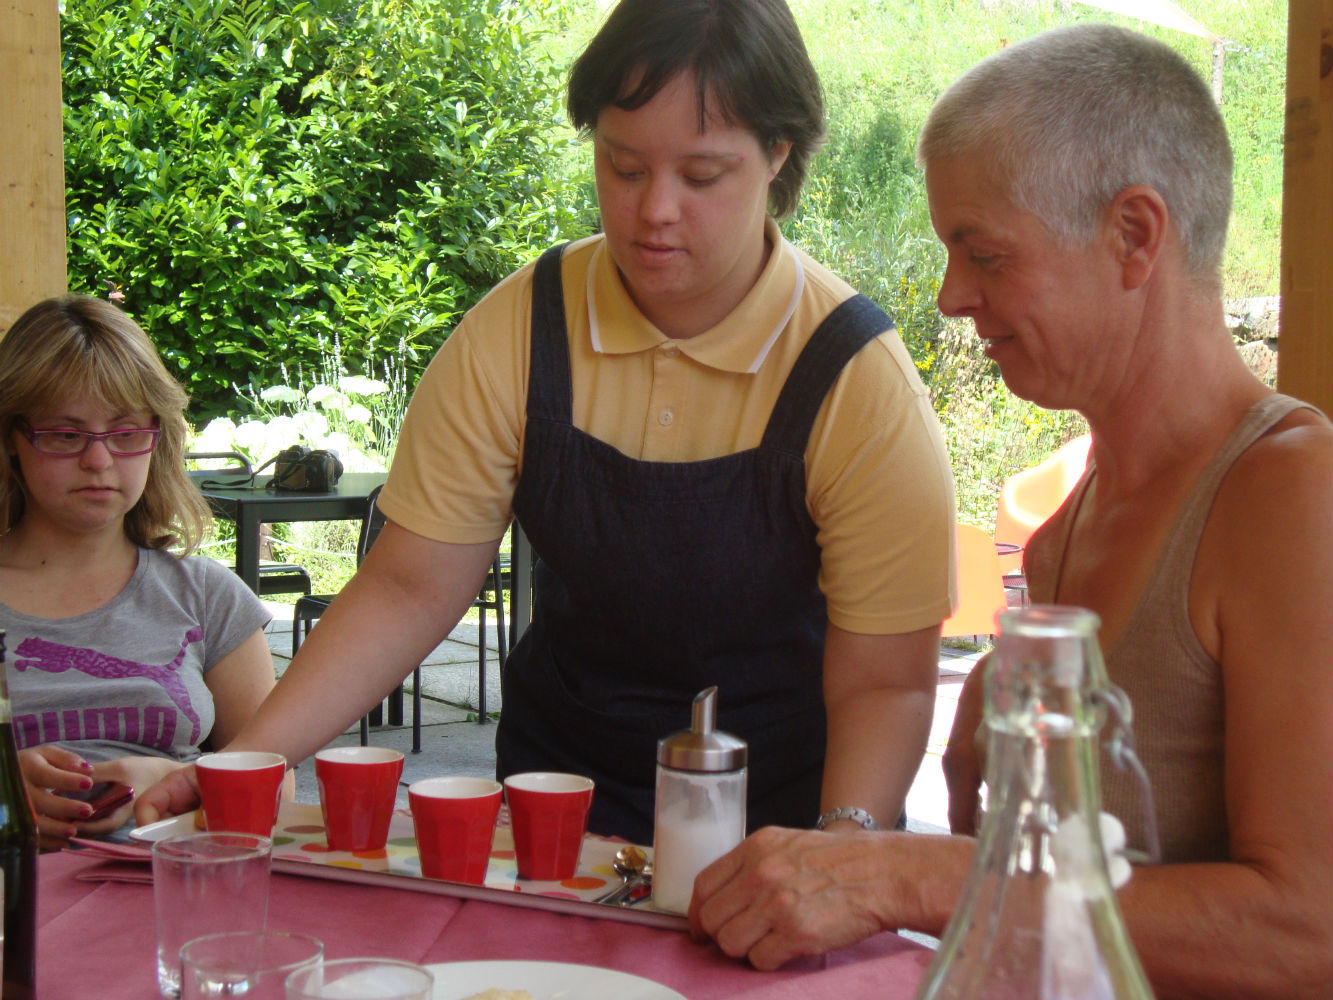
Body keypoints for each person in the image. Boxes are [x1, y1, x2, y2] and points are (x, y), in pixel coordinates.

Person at [137, 0, 956, 845]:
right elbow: (411, 584)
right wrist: (245, 763)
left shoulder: (854, 378)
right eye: (623, 166)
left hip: (777, 820)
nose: (655, 211)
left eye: (702, 175)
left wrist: (842, 848)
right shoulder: (521, 329)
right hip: (558, 808)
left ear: (777, 155)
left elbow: (883, 682)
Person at [686, 23, 1333, 999]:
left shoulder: (1290, 491)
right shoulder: (1065, 529)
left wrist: (913, 872)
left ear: (1134, 235)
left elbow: (1307, 930)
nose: (949, 297)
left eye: (983, 255)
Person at [0, 296, 289, 849]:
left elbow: (280, 784)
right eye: (65, 434)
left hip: (175, 891)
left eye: (126, 432)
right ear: (14, 440)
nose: (99, 461)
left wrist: (174, 780)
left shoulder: (206, 596)